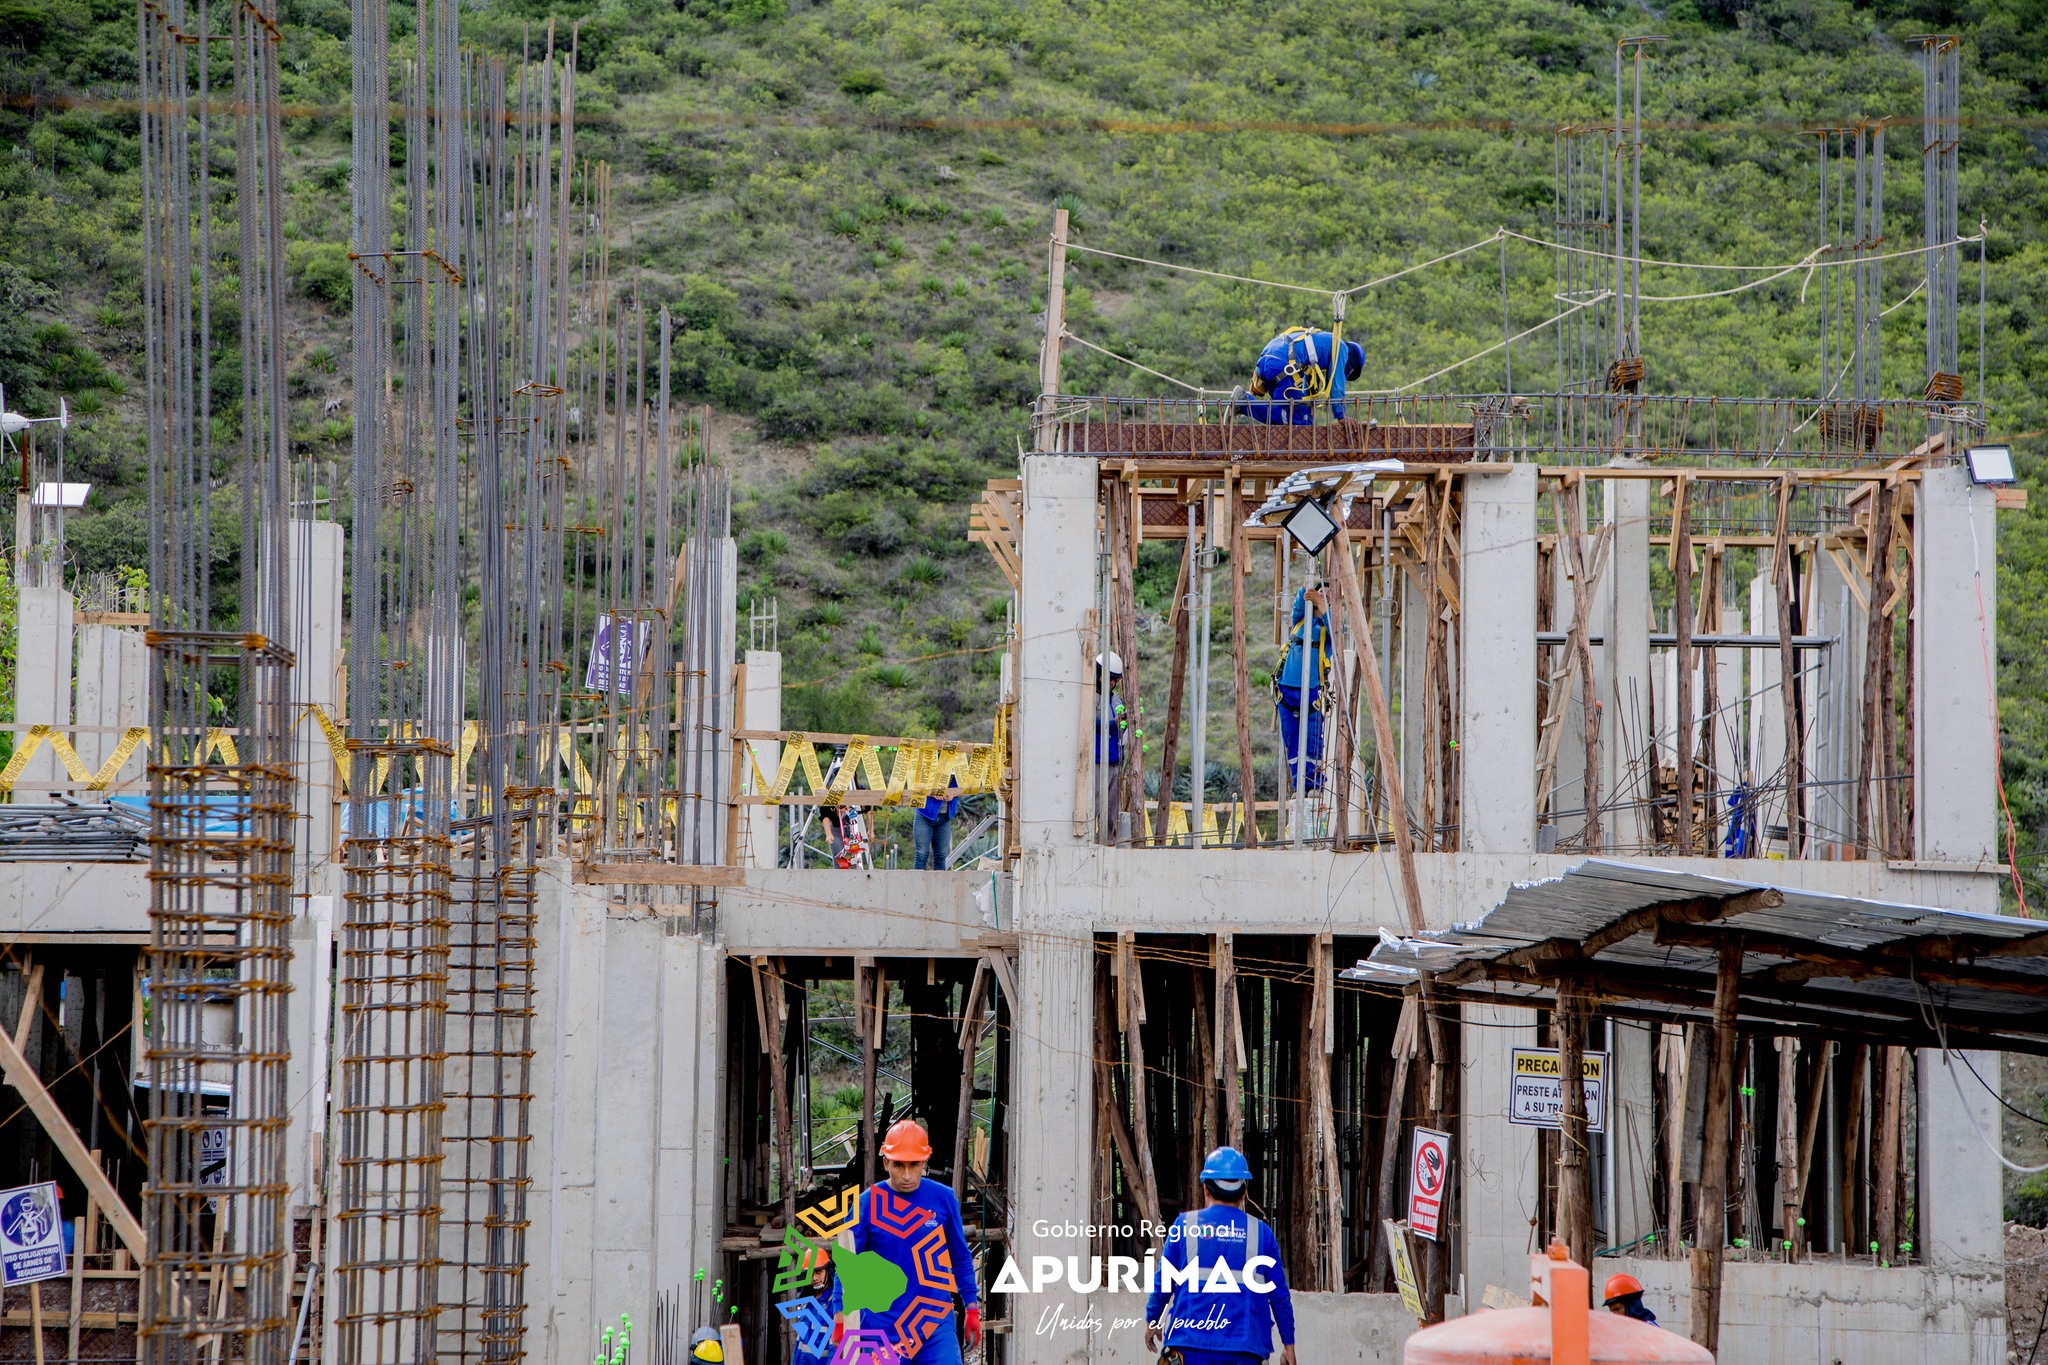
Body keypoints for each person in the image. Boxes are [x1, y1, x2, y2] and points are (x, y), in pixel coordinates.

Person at [1145, 1146, 1296, 1365]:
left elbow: (1163, 1282)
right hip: (1244, 1350)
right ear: (1244, 1192)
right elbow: (1279, 1296)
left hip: (1190, 1346)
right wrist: (1288, 1345)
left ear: (1206, 1188)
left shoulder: (1185, 1226)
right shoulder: (1261, 1233)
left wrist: (1153, 1319)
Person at [852, 1120, 981, 1365]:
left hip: (933, 1326)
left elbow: (961, 1257)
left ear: (925, 1162)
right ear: (885, 1162)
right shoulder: (867, 1203)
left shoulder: (943, 1199)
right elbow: (848, 1263)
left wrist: (971, 1307)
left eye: (915, 1165)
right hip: (883, 1328)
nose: (907, 1175)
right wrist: (840, 1313)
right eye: (899, 1165)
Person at [1232, 328, 1366, 427]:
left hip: (1271, 358)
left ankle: (1245, 403)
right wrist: (1341, 415)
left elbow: (1307, 384)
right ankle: (1244, 403)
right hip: (1282, 364)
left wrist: (1308, 411)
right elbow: (1336, 384)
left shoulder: (1323, 344)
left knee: (1302, 417)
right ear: (1352, 366)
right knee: (1295, 421)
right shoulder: (1340, 348)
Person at [1274, 586, 1331, 795]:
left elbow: (1334, 627)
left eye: (1328, 595)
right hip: (1287, 690)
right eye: (1321, 592)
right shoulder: (1301, 621)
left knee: (1313, 740)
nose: (1323, 596)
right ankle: (1299, 785)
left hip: (1313, 691)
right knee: (1293, 741)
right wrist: (1307, 589)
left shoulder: (1328, 626)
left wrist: (1321, 603)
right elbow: (1299, 604)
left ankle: (1314, 784)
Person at [914, 777, 961, 871]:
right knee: (922, 853)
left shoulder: (959, 767)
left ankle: (940, 884)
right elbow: (917, 781)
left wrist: (953, 794)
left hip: (945, 817)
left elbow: (968, 787)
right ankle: (918, 883)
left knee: (941, 855)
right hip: (925, 814)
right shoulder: (930, 763)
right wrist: (932, 792)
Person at [1094, 652, 1129, 770]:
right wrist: (1114, 723)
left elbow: (1123, 731)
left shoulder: (1118, 701)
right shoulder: (1090, 698)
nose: (1112, 683)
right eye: (1109, 678)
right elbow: (1090, 724)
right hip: (1097, 761)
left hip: (1116, 760)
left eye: (1114, 680)